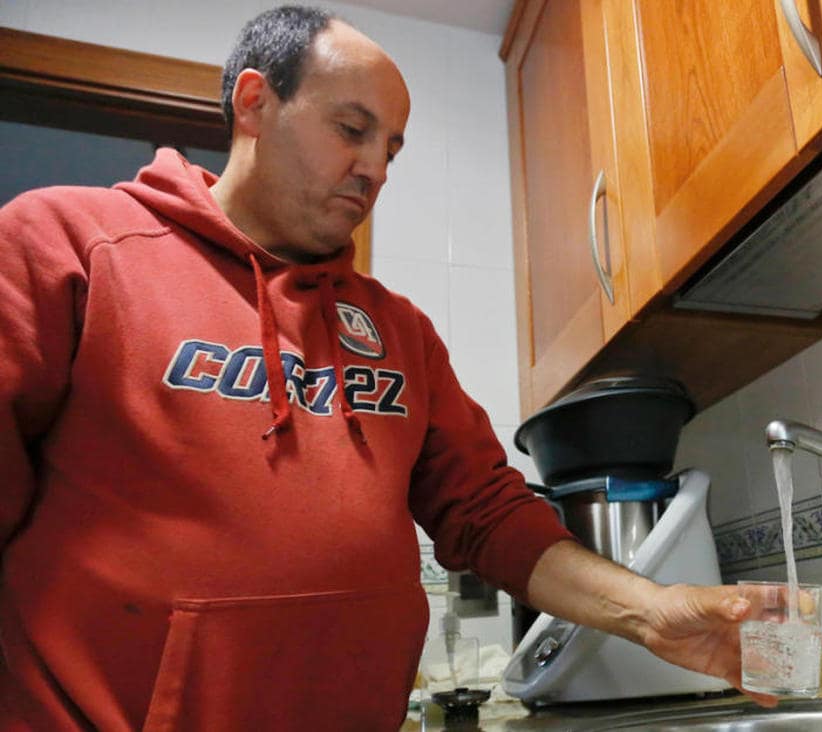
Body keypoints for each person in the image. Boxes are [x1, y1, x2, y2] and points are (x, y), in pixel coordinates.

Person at [0, 6, 773, 729]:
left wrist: (650, 610)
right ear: (253, 103)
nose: (374, 168)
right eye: (351, 129)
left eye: (391, 147)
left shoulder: (397, 329)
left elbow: (488, 515)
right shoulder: (69, 245)